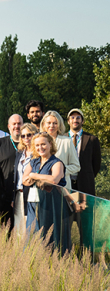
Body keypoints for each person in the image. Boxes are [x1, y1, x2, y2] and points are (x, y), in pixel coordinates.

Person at [22, 132, 69, 254]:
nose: (40, 147)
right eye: (37, 145)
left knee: (49, 235)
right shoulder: (34, 162)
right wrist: (38, 177)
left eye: (43, 144)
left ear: (50, 144)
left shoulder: (57, 162)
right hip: (35, 203)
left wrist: (34, 176)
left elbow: (54, 179)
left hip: (52, 204)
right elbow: (24, 180)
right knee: (32, 233)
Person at [67, 108, 102, 251]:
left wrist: (85, 178)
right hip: (67, 187)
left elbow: (96, 164)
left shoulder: (92, 139)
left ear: (82, 121)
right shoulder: (62, 139)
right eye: (72, 117)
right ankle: (66, 255)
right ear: (68, 121)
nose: (75, 120)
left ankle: (87, 257)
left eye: (78, 117)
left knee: (86, 225)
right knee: (66, 222)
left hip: (85, 188)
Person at [0, 114, 24, 232]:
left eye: (19, 123)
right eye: (14, 124)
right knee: (2, 230)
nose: (17, 126)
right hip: (2, 196)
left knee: (22, 230)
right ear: (9, 126)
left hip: (22, 195)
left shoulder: (30, 144)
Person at [40, 110, 80, 189]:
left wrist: (59, 171)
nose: (52, 126)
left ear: (59, 125)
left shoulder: (67, 141)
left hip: (63, 188)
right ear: (44, 124)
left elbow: (76, 166)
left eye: (55, 123)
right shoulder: (37, 141)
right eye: (49, 123)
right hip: (42, 187)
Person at [13, 124, 38, 236]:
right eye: (23, 136)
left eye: (29, 134)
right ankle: (20, 252)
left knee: (31, 227)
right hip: (18, 194)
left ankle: (32, 252)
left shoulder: (39, 154)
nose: (26, 138)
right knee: (19, 227)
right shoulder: (19, 153)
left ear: (35, 135)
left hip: (33, 194)